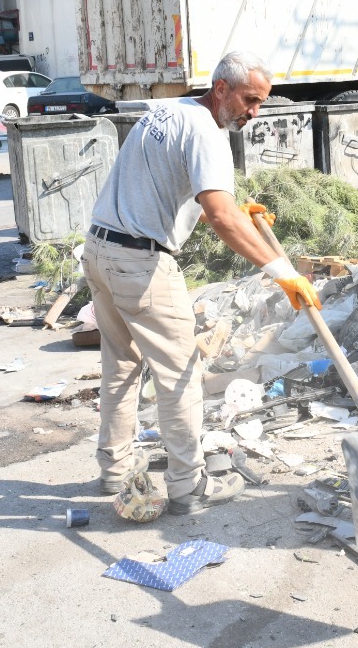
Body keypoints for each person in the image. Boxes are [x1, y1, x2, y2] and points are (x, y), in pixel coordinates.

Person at [83, 51, 320, 515]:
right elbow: (219, 218)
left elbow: (170, 181)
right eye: (250, 100)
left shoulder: (169, 111)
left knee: (122, 367)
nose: (254, 112)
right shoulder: (207, 132)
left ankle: (113, 469)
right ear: (221, 90)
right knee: (181, 377)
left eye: (261, 103)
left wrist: (236, 207)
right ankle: (189, 488)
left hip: (99, 251)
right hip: (140, 263)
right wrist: (283, 274)